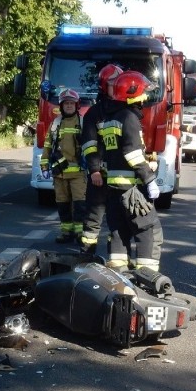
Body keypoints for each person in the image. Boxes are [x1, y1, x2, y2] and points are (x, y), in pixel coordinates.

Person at [85, 70, 162, 272]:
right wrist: (149, 179)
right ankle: (148, 276)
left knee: (119, 230)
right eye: (144, 92)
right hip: (132, 189)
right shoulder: (129, 117)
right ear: (133, 94)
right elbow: (132, 153)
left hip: (114, 188)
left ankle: (119, 271)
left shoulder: (112, 118)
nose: (146, 97)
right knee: (148, 230)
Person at [79, 63, 123, 255]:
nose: (118, 88)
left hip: (122, 177)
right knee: (93, 216)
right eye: (115, 84)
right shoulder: (94, 113)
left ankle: (118, 259)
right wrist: (94, 169)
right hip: (101, 176)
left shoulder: (126, 110)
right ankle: (87, 254)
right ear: (105, 86)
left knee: (119, 218)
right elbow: (89, 144)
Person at [41, 88, 85, 243]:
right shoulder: (56, 123)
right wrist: (44, 166)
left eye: (71, 103)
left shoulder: (82, 122)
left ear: (77, 105)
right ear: (61, 106)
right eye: (65, 103)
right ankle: (66, 233)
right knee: (62, 204)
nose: (68, 106)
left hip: (79, 173)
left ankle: (80, 234)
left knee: (80, 204)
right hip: (59, 173)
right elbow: (48, 145)